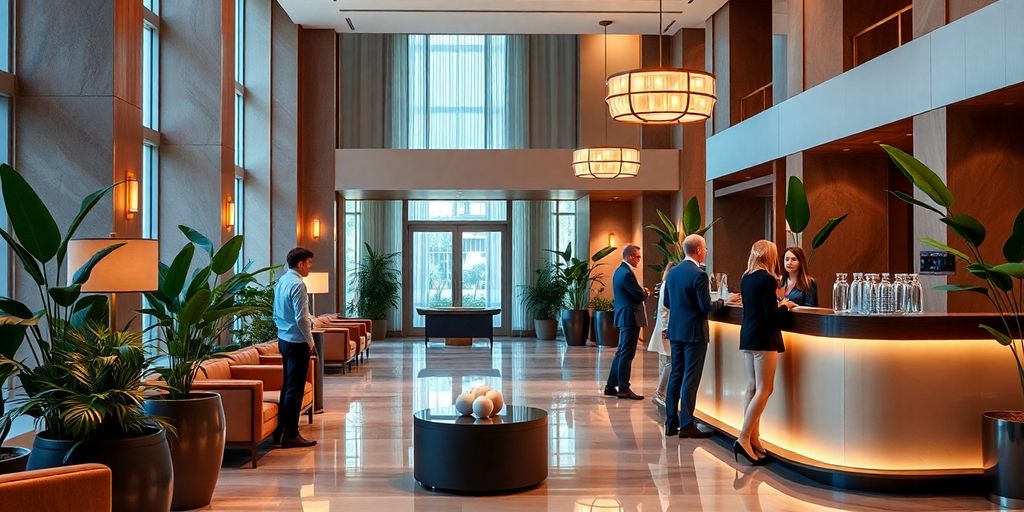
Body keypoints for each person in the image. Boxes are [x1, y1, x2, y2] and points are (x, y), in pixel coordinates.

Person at [735, 240, 795, 464]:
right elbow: (771, 315)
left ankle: (753, 437)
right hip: (764, 337)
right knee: (765, 389)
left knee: (752, 387)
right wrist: (786, 306)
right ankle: (743, 437)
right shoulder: (768, 279)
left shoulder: (746, 277)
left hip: (748, 335)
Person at [662, 235, 724, 438]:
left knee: (676, 374)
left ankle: (671, 422)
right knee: (691, 376)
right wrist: (723, 301)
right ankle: (687, 424)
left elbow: (668, 303)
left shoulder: (672, 272)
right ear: (698, 250)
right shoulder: (699, 274)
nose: (705, 251)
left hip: (676, 330)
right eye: (705, 248)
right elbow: (705, 306)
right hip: (695, 333)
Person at [271, 247, 318, 448]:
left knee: (287, 386)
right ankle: (291, 434)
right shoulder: (298, 284)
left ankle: (280, 431)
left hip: (284, 339)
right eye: (309, 263)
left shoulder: (282, 281)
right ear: (300, 264)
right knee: (295, 388)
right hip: (297, 342)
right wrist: (310, 341)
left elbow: (275, 312)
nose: (310, 267)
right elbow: (301, 318)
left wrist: (282, 330)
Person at [603, 244, 649, 400]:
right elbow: (639, 295)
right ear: (630, 256)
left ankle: (610, 386)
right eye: (638, 257)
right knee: (627, 354)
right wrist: (646, 292)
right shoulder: (626, 274)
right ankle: (623, 388)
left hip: (625, 317)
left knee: (621, 352)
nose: (639, 260)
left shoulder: (620, 271)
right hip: (630, 318)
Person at [646, 261, 675, 410]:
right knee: (670, 362)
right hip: (667, 328)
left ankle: (662, 393)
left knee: (666, 362)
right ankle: (660, 393)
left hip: (665, 327)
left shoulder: (665, 284)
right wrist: (665, 327)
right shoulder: (667, 285)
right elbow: (665, 309)